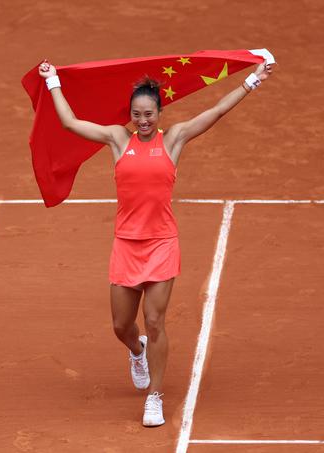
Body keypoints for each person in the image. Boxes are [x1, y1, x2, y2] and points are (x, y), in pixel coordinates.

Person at [38, 57, 274, 426]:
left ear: (159, 112)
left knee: (155, 320)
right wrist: (53, 82)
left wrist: (253, 80)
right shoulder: (118, 139)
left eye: (149, 114)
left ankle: (155, 397)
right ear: (130, 114)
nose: (143, 121)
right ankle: (137, 352)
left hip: (162, 243)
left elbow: (215, 112)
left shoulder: (175, 138)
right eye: (137, 114)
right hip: (126, 245)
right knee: (121, 325)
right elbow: (70, 123)